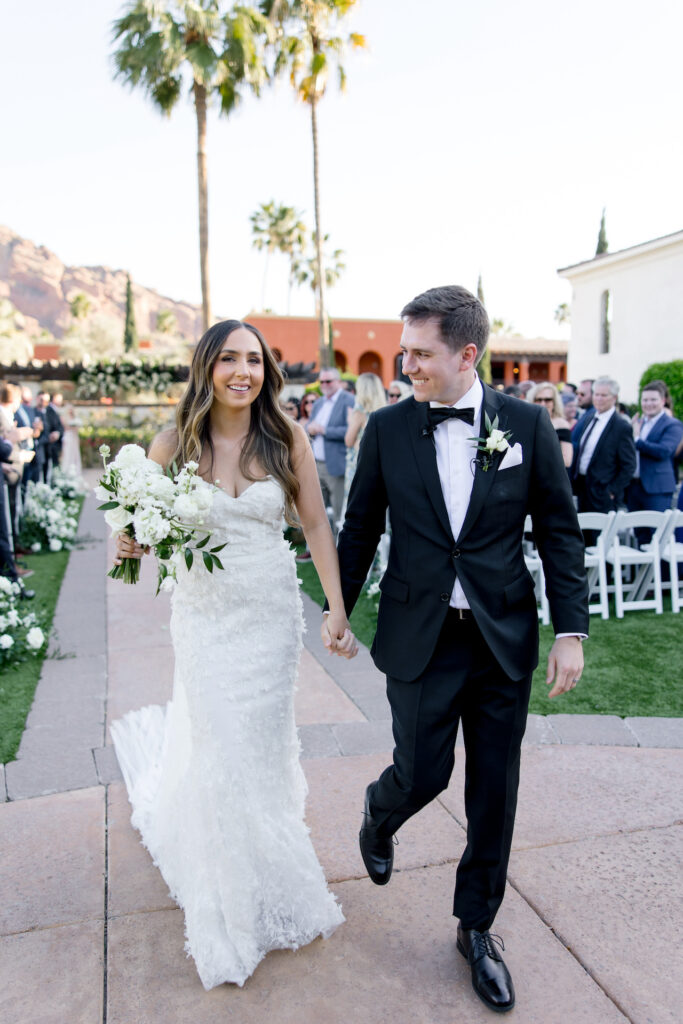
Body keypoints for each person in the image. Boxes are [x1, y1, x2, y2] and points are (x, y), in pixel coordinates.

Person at [326, 285, 588, 1014]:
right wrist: (337, 609)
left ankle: (475, 929)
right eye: (404, 351)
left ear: (466, 354)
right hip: (421, 637)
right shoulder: (383, 430)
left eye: (419, 353)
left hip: (502, 639)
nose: (406, 364)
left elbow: (560, 533)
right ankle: (379, 815)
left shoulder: (527, 428)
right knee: (422, 774)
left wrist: (570, 631)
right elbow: (359, 530)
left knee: (493, 792)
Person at [110, 319, 356, 990]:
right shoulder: (172, 444)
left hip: (270, 623)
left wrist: (335, 608)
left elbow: (313, 525)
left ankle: (266, 873)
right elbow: (133, 530)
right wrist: (128, 544)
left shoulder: (286, 438)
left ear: (266, 371)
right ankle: (227, 906)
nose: (242, 371)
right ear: (206, 367)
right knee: (220, 748)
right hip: (206, 623)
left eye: (254, 360)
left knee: (258, 749)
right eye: (229, 359)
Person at [627, 381, 683, 543]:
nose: (648, 404)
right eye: (645, 400)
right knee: (640, 535)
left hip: (657, 488)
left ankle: (662, 570)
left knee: (659, 536)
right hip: (634, 487)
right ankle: (644, 569)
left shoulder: (672, 424)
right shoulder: (639, 422)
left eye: (653, 400)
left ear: (663, 401)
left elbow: (665, 451)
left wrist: (637, 439)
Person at [571, 376, 636, 513]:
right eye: (596, 394)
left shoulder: (621, 426)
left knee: (597, 534)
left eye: (604, 395)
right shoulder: (589, 418)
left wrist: (612, 491)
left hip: (602, 493)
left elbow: (629, 465)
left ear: (614, 397)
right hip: (582, 488)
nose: (599, 398)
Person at [304, 368, 355, 537]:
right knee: (317, 511)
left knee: (339, 511)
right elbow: (309, 425)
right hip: (316, 464)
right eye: (322, 382)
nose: (324, 385)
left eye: (328, 381)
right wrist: (309, 429)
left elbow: (351, 431)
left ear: (338, 381)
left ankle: (339, 550)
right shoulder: (318, 403)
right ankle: (318, 548)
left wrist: (325, 430)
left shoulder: (349, 401)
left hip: (336, 465)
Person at [529, 382, 573, 467]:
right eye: (538, 400)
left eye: (547, 400)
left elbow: (567, 461)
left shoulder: (561, 424)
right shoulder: (527, 422)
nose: (543, 403)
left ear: (554, 402)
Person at [60, 403, 83, 474]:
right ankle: (66, 470)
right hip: (68, 436)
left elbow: (77, 429)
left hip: (74, 437)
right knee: (67, 453)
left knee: (75, 454)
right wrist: (73, 426)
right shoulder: (63, 417)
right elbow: (65, 427)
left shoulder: (75, 417)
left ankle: (76, 471)